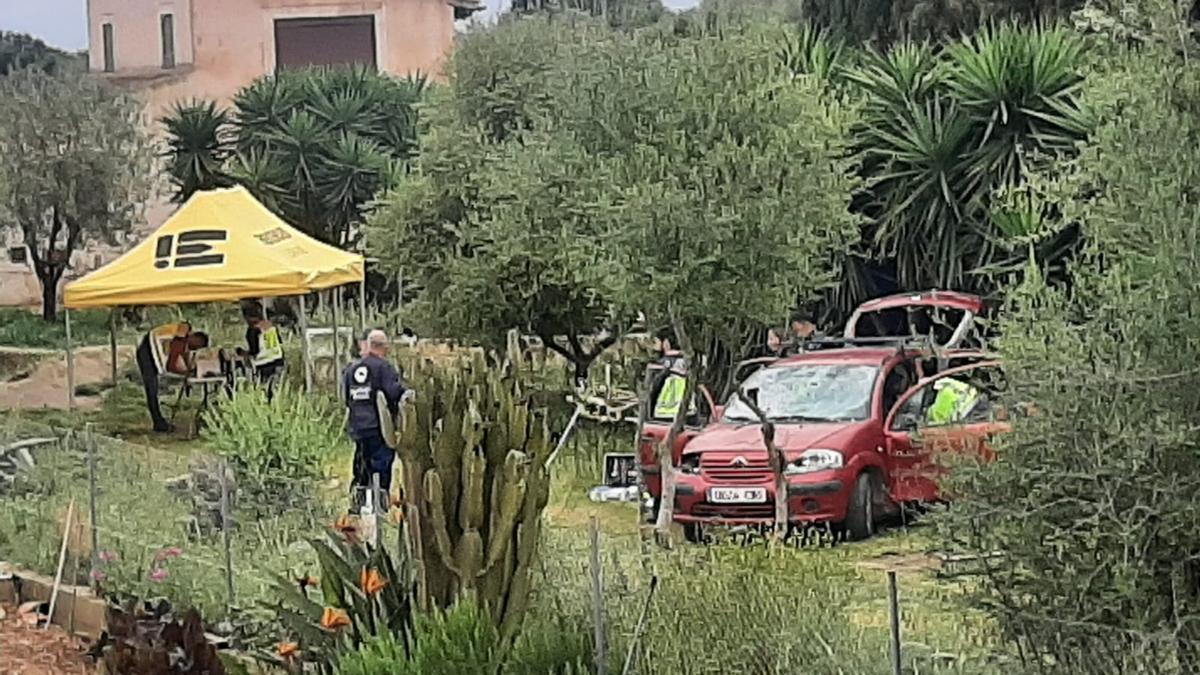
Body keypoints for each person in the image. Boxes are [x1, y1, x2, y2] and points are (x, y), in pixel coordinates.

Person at [342, 329, 411, 512]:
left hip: (358, 427)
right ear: (383, 347)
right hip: (378, 427)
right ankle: (380, 509)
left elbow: (346, 398)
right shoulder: (383, 367)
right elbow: (394, 392)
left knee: (361, 465)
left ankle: (356, 506)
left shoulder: (351, 369)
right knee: (382, 465)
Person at [136, 322, 209, 433]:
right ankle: (158, 423)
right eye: (196, 346)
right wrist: (185, 372)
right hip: (147, 350)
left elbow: (183, 356)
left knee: (153, 389)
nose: (193, 349)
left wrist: (191, 369)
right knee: (151, 388)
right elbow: (172, 363)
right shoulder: (183, 331)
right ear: (195, 337)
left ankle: (159, 422)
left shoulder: (183, 341)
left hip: (150, 349)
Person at [235, 302, 285, 396]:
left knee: (265, 391)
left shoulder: (253, 330)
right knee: (277, 389)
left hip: (264, 363)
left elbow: (254, 351)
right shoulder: (271, 327)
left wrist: (242, 353)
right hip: (278, 360)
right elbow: (279, 343)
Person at [650, 328, 689, 420]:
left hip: (668, 405)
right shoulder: (682, 357)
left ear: (666, 343)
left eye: (656, 341)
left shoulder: (671, 359)